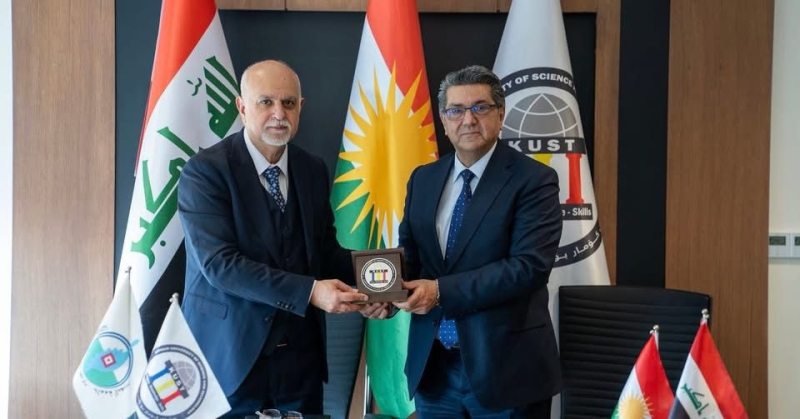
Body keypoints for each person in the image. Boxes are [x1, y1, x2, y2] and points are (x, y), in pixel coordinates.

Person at [363, 65, 563, 418]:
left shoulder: (534, 180)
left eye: (480, 107)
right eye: (456, 110)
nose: (468, 120)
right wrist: (388, 295)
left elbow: (527, 268)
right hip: (434, 369)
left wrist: (440, 291)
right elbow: (412, 257)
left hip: (505, 371)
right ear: (443, 120)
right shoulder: (423, 179)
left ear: (501, 114)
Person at [178, 60, 367, 417]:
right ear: (242, 107)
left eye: (288, 103)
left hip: (301, 363)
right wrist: (311, 292)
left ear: (301, 107)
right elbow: (220, 265)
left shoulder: (312, 169)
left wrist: (379, 283)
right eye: (266, 102)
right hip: (229, 361)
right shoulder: (205, 171)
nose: (279, 114)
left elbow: (325, 254)